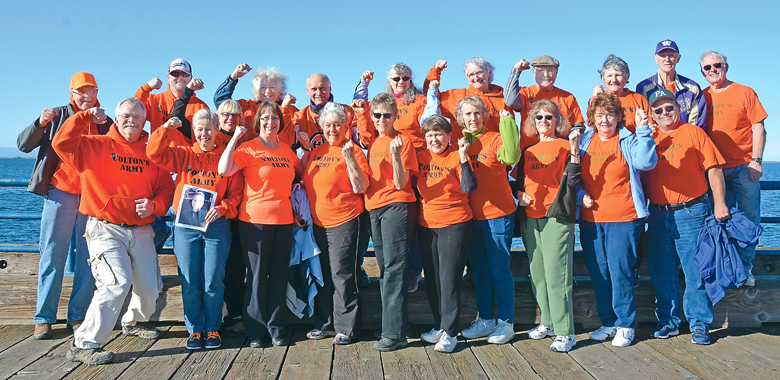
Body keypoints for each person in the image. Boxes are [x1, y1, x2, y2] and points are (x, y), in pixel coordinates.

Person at [52, 97, 175, 365]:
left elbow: (167, 186)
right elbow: (60, 143)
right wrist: (84, 117)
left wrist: (156, 205)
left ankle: (134, 322)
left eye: (138, 117)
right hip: (104, 227)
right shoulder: (93, 145)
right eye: (126, 116)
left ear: (145, 121)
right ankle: (84, 343)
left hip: (141, 229)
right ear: (116, 119)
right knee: (116, 281)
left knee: (150, 287)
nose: (132, 120)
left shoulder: (152, 151)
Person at [17, 72, 112, 340]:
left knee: (87, 257)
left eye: (90, 90)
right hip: (60, 194)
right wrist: (39, 123)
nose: (86, 96)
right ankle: (44, 317)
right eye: (80, 91)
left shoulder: (105, 120)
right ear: (71, 94)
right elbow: (23, 145)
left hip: (91, 197)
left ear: (96, 92)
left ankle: (78, 316)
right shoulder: (57, 115)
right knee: (52, 254)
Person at [147, 107, 243, 350]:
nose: (204, 134)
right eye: (199, 130)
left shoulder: (227, 158)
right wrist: (166, 129)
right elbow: (153, 153)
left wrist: (222, 209)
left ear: (216, 129)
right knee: (189, 279)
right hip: (186, 226)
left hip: (216, 227)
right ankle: (195, 329)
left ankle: (213, 328)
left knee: (213, 280)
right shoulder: (183, 155)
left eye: (208, 129)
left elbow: (236, 195)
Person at [643, 88, 730, 345]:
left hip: (692, 212)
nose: (664, 113)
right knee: (661, 271)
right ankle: (668, 323)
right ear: (652, 114)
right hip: (657, 214)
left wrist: (720, 204)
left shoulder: (694, 133)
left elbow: (713, 169)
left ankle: (699, 324)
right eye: (658, 110)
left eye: (669, 108)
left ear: (678, 108)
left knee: (696, 271)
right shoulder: (648, 137)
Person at [218, 101, 303, 348]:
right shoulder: (248, 148)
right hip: (254, 223)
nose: (270, 122)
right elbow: (224, 170)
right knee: (255, 277)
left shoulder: (287, 151)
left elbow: (302, 174)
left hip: (285, 221)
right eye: (265, 118)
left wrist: (306, 150)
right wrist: (234, 139)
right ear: (258, 122)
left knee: (278, 275)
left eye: (274, 118)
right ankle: (255, 330)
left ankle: (277, 328)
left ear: (280, 123)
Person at [578, 93, 656, 347]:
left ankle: (626, 324)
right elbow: (573, 178)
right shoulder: (584, 141)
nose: (605, 120)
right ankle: (609, 322)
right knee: (599, 271)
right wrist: (580, 195)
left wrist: (644, 130)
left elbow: (646, 162)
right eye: (599, 115)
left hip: (624, 217)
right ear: (592, 119)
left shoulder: (628, 139)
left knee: (620, 271)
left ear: (619, 117)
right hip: (591, 220)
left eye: (610, 115)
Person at [301, 102, 370, 345]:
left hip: (345, 220)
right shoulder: (318, 151)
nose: (333, 129)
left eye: (338, 125)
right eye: (328, 125)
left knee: (342, 274)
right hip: (317, 224)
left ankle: (347, 328)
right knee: (322, 274)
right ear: (322, 127)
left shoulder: (354, 150)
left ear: (345, 127)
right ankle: (324, 323)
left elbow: (361, 186)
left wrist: (350, 157)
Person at [353, 92, 418, 352]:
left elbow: (402, 182)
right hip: (374, 208)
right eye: (377, 115)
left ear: (395, 115)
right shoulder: (374, 143)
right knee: (385, 267)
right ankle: (395, 325)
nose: (381, 119)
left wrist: (395, 156)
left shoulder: (402, 141)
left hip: (397, 206)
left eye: (387, 115)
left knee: (393, 267)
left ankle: (394, 333)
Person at [515, 100, 581, 352]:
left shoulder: (566, 147)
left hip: (557, 215)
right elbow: (517, 182)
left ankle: (566, 332)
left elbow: (574, 178)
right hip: (531, 216)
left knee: (557, 274)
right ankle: (548, 322)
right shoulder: (528, 151)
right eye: (539, 117)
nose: (544, 121)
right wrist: (519, 194)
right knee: (538, 274)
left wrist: (575, 152)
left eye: (549, 117)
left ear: (558, 121)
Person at [455, 97, 521, 345]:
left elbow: (511, 155)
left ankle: (506, 322)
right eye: (468, 114)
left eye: (476, 113)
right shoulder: (458, 143)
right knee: (480, 271)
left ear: (484, 115)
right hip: (471, 216)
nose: (472, 118)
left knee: (499, 269)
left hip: (498, 214)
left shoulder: (494, 137)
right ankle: (485, 319)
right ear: (461, 118)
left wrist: (508, 123)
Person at [700, 51, 768, 286]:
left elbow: (758, 128)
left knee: (749, 217)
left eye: (716, 65)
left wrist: (756, 160)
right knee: (718, 219)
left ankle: (746, 268)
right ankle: (725, 268)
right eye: (706, 68)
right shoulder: (702, 96)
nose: (712, 70)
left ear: (726, 67)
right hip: (713, 168)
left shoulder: (744, 92)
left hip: (742, 167)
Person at [415, 115, 477, 353]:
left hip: (455, 223)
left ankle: (451, 333)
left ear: (449, 135)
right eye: (429, 135)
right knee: (431, 278)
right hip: (426, 224)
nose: (434, 139)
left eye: (439, 134)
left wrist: (462, 157)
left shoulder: (456, 156)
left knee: (449, 279)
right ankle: (439, 326)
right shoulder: (421, 157)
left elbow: (469, 186)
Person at [423, 57, 512, 142]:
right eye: (471, 75)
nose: (476, 78)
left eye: (479, 72)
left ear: (489, 72)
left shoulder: (502, 100)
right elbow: (430, 94)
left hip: (494, 154)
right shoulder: (455, 96)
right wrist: (436, 70)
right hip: (463, 154)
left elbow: (510, 132)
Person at [505, 55, 585, 149]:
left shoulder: (568, 98)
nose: (546, 75)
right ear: (534, 72)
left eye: (550, 71)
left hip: (559, 155)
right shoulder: (527, 93)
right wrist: (516, 71)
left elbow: (578, 125)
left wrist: (564, 141)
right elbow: (511, 102)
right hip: (530, 156)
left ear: (556, 72)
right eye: (541, 71)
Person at [214, 64, 298, 146]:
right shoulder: (246, 106)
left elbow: (289, 141)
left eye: (272, 87)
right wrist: (234, 77)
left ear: (279, 90)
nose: (268, 91)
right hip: (249, 155)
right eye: (263, 87)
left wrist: (284, 108)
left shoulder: (292, 111)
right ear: (256, 91)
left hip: (280, 158)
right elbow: (221, 102)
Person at [134, 58, 210, 147]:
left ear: (191, 77)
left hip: (187, 159)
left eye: (184, 74)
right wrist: (146, 88)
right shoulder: (154, 100)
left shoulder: (201, 106)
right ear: (168, 77)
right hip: (159, 158)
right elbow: (133, 110)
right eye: (175, 74)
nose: (180, 77)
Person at [636, 40, 706, 129]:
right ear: (656, 59)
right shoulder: (644, 88)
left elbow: (697, 124)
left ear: (678, 58)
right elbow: (643, 120)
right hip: (656, 140)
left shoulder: (692, 88)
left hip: (686, 140)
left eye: (671, 55)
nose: (667, 59)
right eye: (663, 56)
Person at [293, 73, 356, 152]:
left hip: (344, 162)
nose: (319, 93)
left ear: (330, 89)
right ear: (307, 90)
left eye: (322, 88)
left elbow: (364, 141)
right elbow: (289, 141)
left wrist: (362, 113)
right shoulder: (301, 117)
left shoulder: (347, 112)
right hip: (314, 163)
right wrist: (284, 108)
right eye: (314, 89)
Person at [590, 55, 650, 134]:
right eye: (609, 76)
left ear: (627, 76)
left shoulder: (639, 99)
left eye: (618, 75)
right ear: (603, 78)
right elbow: (592, 126)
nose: (614, 80)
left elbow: (650, 126)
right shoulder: (598, 100)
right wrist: (594, 98)